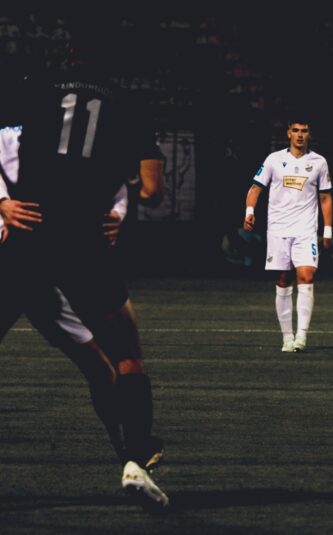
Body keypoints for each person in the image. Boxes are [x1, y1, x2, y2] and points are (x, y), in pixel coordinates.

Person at [0, 25, 169, 510]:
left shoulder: (34, 90)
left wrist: (5, 203)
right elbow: (152, 190)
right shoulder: (130, 105)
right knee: (126, 358)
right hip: (82, 243)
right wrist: (123, 202)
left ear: (70, 49)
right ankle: (135, 462)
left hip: (28, 238)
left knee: (97, 365)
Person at [243, 117, 333, 352]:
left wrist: (327, 230)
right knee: (283, 280)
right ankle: (287, 337)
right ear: (288, 133)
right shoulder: (274, 160)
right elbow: (255, 187)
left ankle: (301, 336)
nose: (300, 135)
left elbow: (325, 197)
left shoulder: (319, 162)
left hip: (306, 229)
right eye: (296, 130)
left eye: (304, 130)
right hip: (279, 229)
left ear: (309, 134)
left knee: (306, 275)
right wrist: (250, 211)